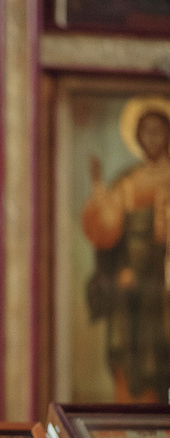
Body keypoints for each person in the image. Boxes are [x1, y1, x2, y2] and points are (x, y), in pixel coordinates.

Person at [82, 99, 170, 402]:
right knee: (127, 341)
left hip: (164, 275)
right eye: (146, 133)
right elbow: (107, 227)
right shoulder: (129, 181)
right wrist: (97, 188)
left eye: (158, 133)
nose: (152, 140)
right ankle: (134, 402)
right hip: (133, 273)